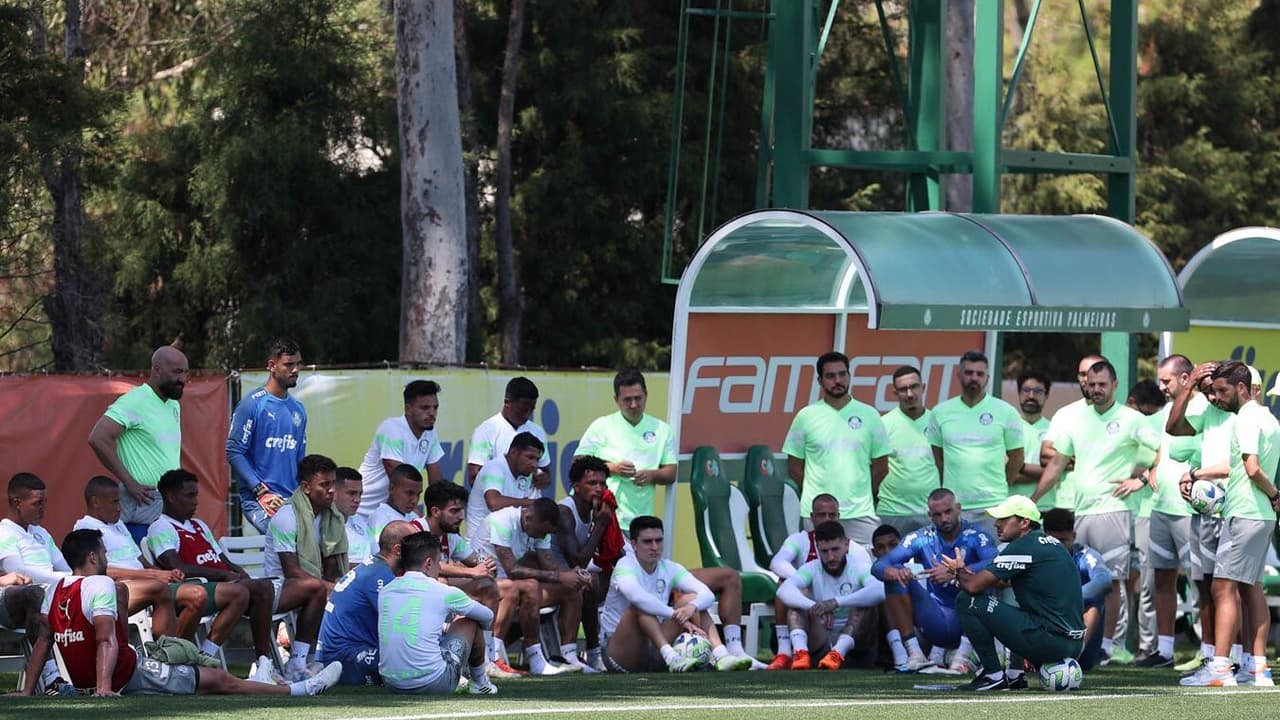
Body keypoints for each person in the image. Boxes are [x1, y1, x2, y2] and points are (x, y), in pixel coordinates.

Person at [17, 528, 341, 697]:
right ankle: (299, 689)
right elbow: (105, 641)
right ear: (92, 556)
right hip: (129, 675)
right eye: (103, 552)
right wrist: (103, 688)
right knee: (222, 681)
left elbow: (43, 642)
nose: (105, 558)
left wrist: (29, 690)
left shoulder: (56, 591)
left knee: (210, 686)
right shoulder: (100, 584)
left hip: (105, 677)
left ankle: (176, 656)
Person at [146, 469, 326, 683]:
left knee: (314, 587)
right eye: (190, 495)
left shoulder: (199, 525)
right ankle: (257, 663)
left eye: (197, 495)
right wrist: (224, 576)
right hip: (204, 589)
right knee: (257, 589)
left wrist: (243, 576)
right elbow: (175, 567)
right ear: (170, 496)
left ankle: (297, 663)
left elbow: (225, 561)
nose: (196, 502)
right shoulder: (160, 527)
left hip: (233, 587)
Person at [1032, 359, 1158, 663]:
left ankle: (1107, 646)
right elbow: (1057, 463)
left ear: (1115, 385)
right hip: (1080, 510)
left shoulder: (1132, 419)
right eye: (1092, 384)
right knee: (1076, 577)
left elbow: (1160, 451)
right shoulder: (1076, 419)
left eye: (1103, 384)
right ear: (1085, 384)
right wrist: (1033, 500)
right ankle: (1082, 641)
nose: (1097, 389)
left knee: (1112, 580)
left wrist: (1139, 479)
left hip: (1113, 509)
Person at [1171, 361, 1280, 687]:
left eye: (1222, 391)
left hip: (1245, 511)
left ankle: (1220, 668)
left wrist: (1275, 493)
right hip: (1259, 515)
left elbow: (1251, 467)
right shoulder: (1269, 419)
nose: (1216, 398)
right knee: (1250, 588)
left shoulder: (1245, 419)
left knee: (1222, 587)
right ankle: (1256, 667)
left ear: (1243, 389)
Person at [73, 475, 251, 656]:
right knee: (195, 594)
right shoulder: (84, 529)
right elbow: (102, 572)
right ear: (95, 502)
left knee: (206, 595)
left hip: (148, 585)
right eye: (114, 502)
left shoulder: (118, 524)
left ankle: (190, 656)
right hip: (122, 590)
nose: (120, 508)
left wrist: (166, 573)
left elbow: (141, 561)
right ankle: (171, 656)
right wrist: (154, 575)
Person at [943, 496, 1085, 692]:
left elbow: (974, 587)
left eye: (1003, 519)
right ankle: (1014, 675)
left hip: (1050, 641)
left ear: (1024, 523)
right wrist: (965, 574)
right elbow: (1000, 583)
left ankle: (992, 675)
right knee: (1022, 610)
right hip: (1073, 645)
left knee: (967, 601)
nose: (996, 524)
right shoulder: (1052, 544)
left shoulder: (1023, 546)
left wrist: (958, 571)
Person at [600, 515, 751, 672]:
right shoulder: (625, 565)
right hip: (619, 651)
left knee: (691, 599)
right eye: (647, 542)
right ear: (634, 544)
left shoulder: (669, 567)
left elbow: (706, 594)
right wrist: (676, 616)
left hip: (654, 644)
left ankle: (722, 655)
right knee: (641, 605)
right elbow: (637, 597)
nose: (654, 547)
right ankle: (671, 656)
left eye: (659, 540)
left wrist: (692, 607)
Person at [872, 488, 998, 675]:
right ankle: (915, 654)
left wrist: (957, 571)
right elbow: (879, 566)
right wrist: (893, 571)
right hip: (935, 617)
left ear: (958, 509)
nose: (944, 519)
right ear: (930, 516)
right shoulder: (922, 538)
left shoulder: (976, 535)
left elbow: (995, 562)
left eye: (948, 512)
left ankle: (963, 658)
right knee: (894, 575)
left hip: (967, 617)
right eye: (937, 515)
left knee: (985, 580)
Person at [783, 351, 890, 544]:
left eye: (842, 374)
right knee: (821, 566)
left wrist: (861, 492)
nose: (837, 380)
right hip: (819, 514)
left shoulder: (870, 414)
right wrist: (817, 495)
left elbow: (881, 466)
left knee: (867, 567)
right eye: (830, 376)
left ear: (849, 376)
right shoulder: (806, 416)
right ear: (820, 380)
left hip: (860, 511)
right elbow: (794, 468)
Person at [1135, 355, 1200, 669]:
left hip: (1190, 510)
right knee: (1162, 579)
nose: (1161, 387)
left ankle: (1208, 649)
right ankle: (1163, 650)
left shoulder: (1203, 409)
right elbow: (1162, 450)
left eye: (1167, 381)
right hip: (1160, 507)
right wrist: (1153, 470)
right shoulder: (1163, 413)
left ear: (1186, 378)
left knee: (1200, 581)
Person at [476, 501, 590, 674]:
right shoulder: (502, 520)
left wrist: (572, 575)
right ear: (528, 518)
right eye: (542, 531)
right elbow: (512, 570)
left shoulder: (540, 527)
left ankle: (569, 657)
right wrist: (560, 576)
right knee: (530, 586)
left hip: (513, 587)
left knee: (571, 590)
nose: (542, 536)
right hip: (486, 585)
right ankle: (499, 657)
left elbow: (549, 563)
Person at [87, 345, 189, 540]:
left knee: (170, 564)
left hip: (167, 501)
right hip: (142, 500)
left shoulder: (173, 403)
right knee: (142, 563)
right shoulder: (135, 400)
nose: (182, 379)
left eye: (185, 372)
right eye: (176, 372)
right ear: (157, 370)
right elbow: (98, 438)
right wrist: (129, 482)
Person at [378, 532, 498, 695]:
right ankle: (480, 683)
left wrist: (446, 627)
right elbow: (487, 616)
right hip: (433, 683)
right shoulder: (443, 591)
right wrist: (462, 628)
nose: (439, 569)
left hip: (392, 683)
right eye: (438, 564)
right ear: (428, 564)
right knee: (470, 620)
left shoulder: (385, 590)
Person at [412, 481, 507, 677]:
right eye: (454, 511)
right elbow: (429, 566)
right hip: (410, 596)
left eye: (462, 510)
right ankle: (442, 657)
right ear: (435, 511)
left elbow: (474, 559)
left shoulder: (450, 537)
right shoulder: (415, 530)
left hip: (435, 590)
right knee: (442, 584)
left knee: (488, 585)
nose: (461, 516)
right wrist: (472, 572)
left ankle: (487, 658)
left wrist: (486, 563)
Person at [925, 350, 1024, 536]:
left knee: (992, 562)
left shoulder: (1006, 411)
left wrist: (1001, 485)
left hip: (994, 507)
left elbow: (1017, 458)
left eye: (980, 374)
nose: (974, 378)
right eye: (969, 373)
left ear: (987, 378)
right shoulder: (940, 412)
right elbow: (939, 459)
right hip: (955, 509)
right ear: (959, 375)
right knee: (957, 562)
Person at [775, 521, 886, 671]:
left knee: (864, 603)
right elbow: (784, 591)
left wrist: (836, 602)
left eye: (835, 549)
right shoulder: (812, 567)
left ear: (847, 545)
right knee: (797, 599)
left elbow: (880, 590)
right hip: (821, 642)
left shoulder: (859, 566)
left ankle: (838, 652)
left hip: (856, 647)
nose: (831, 557)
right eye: (824, 551)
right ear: (818, 549)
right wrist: (815, 606)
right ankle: (800, 652)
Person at [577, 369, 677, 534]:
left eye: (638, 398)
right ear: (616, 400)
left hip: (638, 519)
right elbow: (577, 463)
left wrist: (652, 475)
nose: (633, 405)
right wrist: (612, 468)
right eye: (627, 400)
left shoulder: (662, 430)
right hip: (600, 516)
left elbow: (671, 472)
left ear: (646, 395)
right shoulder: (601, 426)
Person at [317, 520, 415, 685]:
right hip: (346, 659)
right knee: (415, 659)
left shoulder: (376, 568)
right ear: (398, 550)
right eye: (415, 548)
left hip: (343, 654)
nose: (420, 553)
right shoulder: (379, 577)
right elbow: (403, 626)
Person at [227, 336, 308, 533]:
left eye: (298, 364)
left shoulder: (298, 409)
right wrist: (259, 490)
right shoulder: (253, 404)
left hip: (290, 500)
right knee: (285, 541)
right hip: (260, 499)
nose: (295, 370)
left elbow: (299, 459)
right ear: (272, 365)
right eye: (289, 365)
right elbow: (234, 451)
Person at [552, 455, 616, 673]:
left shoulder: (596, 508)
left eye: (602, 484)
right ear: (576, 486)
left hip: (572, 574)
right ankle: (592, 652)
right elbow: (577, 560)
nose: (598, 489)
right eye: (592, 483)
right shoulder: (564, 512)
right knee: (588, 585)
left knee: (616, 578)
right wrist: (600, 525)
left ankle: (614, 647)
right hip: (550, 573)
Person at [766, 493, 841, 669]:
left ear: (839, 517)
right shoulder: (799, 540)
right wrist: (803, 581)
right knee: (786, 583)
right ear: (812, 518)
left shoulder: (849, 545)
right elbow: (776, 562)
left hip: (840, 614)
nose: (827, 519)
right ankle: (785, 652)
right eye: (822, 515)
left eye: (832, 515)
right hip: (810, 613)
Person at [356, 380, 445, 516]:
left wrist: (441, 513)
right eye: (425, 408)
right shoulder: (391, 428)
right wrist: (420, 519)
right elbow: (399, 482)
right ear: (408, 409)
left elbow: (436, 483)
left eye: (435, 407)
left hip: (389, 513)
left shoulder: (430, 432)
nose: (432, 413)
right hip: (361, 512)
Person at [263, 454, 348, 592]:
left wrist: (340, 585)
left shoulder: (332, 517)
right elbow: (292, 572)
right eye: (325, 485)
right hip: (283, 589)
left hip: (318, 588)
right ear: (306, 487)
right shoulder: (287, 517)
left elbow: (332, 566)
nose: (332, 490)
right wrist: (330, 588)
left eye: (333, 483)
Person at [1043, 508, 1113, 671]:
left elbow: (1104, 581)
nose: (1059, 547)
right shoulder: (1037, 556)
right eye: (1054, 541)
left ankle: (1075, 655)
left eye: (1063, 540)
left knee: (1096, 601)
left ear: (1073, 536)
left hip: (1078, 635)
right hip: (1047, 629)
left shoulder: (1085, 555)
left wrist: (1067, 601)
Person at [877, 366, 939, 535]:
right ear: (895, 393)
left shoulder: (938, 422)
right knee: (890, 562)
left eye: (914, 387)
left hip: (931, 513)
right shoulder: (883, 424)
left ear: (923, 387)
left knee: (934, 562)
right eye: (903, 389)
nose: (910, 394)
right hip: (891, 512)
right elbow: (874, 468)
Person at [466, 376, 551, 489]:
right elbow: (474, 477)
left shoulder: (537, 432)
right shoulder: (486, 431)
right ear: (507, 402)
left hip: (529, 505)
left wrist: (543, 479)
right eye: (523, 409)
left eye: (531, 410)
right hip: (497, 504)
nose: (527, 415)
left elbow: (545, 472)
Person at [466, 432, 544, 546]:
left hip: (508, 543)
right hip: (480, 547)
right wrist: (526, 502)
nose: (534, 465)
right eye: (530, 457)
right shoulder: (494, 468)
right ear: (513, 453)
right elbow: (494, 503)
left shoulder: (529, 475)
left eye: (537, 460)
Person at [1011, 369, 1055, 508]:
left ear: (1047, 395)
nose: (1031, 395)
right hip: (1011, 508)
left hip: (1045, 507)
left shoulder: (1055, 429)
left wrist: (1018, 468)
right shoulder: (1007, 428)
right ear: (1019, 393)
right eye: (1026, 390)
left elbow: (1058, 471)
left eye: (1038, 391)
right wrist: (1046, 474)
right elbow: (1006, 475)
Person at [369, 463, 424, 537]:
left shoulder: (414, 517)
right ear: (391, 488)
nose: (415, 500)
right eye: (409, 493)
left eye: (418, 494)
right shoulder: (379, 518)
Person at [335, 467, 374, 566]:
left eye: (360, 494)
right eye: (351, 493)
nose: (357, 500)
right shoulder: (320, 525)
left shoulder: (360, 521)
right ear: (334, 492)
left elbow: (376, 556)